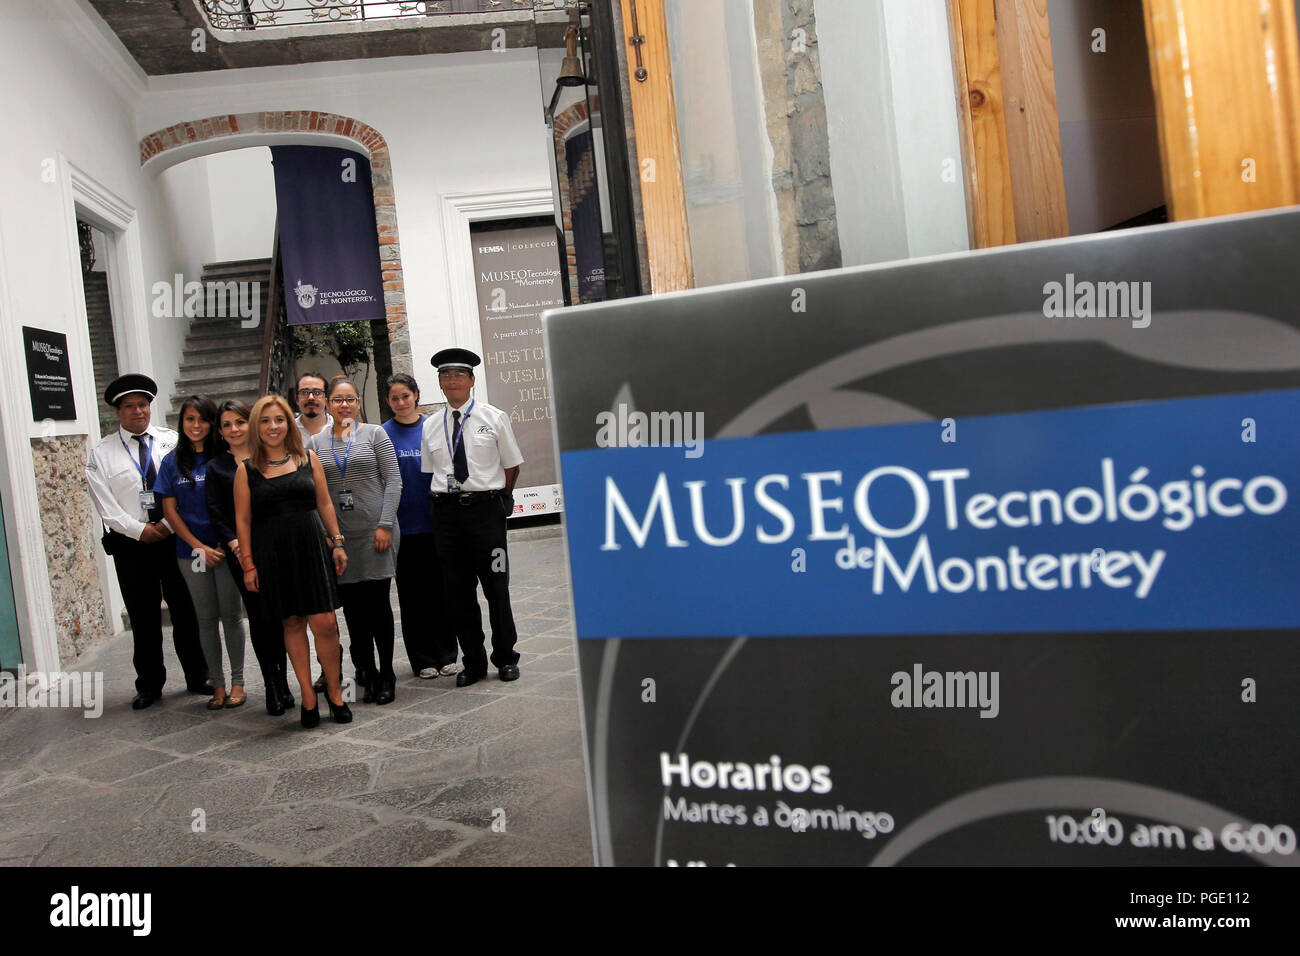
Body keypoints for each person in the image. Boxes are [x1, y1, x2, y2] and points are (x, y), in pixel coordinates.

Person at [85, 374, 210, 709]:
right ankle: (150, 685)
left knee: (185, 609)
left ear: (150, 407)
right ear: (117, 412)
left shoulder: (172, 442)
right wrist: (140, 531)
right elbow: (105, 506)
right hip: (131, 545)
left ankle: (199, 676)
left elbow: (185, 488)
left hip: (173, 538)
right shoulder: (101, 453)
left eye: (142, 404)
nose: (137, 411)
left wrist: (168, 524)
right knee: (143, 616)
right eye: (129, 406)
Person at [234, 394, 352, 727]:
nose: (273, 427)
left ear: (289, 423)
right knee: (292, 624)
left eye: (279, 420)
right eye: (266, 421)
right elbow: (242, 521)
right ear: (257, 427)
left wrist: (337, 542)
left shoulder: (307, 458)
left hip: (311, 548)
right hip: (273, 554)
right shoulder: (246, 471)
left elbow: (325, 503)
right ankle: (308, 697)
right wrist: (248, 564)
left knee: (326, 624)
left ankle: (335, 691)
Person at [421, 348, 524, 687]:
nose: (452, 381)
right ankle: (474, 663)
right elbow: (430, 472)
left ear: (471, 381)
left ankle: (506, 658)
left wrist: (501, 498)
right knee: (458, 594)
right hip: (447, 518)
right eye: (445, 376)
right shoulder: (431, 425)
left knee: (497, 588)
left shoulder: (494, 418)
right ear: (439, 382)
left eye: (459, 375)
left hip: (485, 517)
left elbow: (511, 466)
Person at [307, 376, 403, 704]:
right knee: (354, 613)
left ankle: (387, 674)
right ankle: (367, 672)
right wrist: (331, 541)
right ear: (328, 404)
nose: (344, 405)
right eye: (337, 399)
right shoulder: (315, 444)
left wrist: (385, 525)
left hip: (376, 533)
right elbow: (315, 495)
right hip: (340, 541)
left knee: (378, 608)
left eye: (350, 399)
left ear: (358, 402)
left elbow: (393, 481)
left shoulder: (375, 434)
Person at [205, 399, 295, 716]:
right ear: (220, 431)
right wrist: (237, 547)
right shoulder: (216, 468)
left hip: (276, 548)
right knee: (259, 618)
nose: (234, 429)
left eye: (240, 422)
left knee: (282, 616)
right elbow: (217, 513)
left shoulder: (267, 457)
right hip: (242, 554)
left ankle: (285, 683)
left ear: (251, 423)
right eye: (226, 425)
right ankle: (272, 685)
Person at [157, 395, 247, 711]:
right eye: (190, 419)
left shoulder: (223, 458)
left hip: (226, 550)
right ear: (182, 424)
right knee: (205, 620)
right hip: (190, 553)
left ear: (212, 424)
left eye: (203, 419)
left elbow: (238, 504)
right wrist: (199, 547)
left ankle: (238, 682)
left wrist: (224, 543)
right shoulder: (171, 462)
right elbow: (170, 511)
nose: (197, 425)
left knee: (232, 616)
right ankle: (218, 686)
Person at [381, 373, 459, 679]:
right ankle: (422, 658)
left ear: (416, 395)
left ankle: (447, 652)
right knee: (412, 598)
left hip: (437, 525)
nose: (401, 403)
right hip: (403, 530)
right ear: (388, 402)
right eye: (394, 398)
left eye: (405, 396)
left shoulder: (434, 427)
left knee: (443, 591)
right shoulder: (382, 435)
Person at [295, 371, 333, 441]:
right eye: (304, 392)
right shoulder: (287, 431)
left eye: (317, 392)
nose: (311, 397)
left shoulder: (340, 430)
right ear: (297, 399)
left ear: (326, 398)